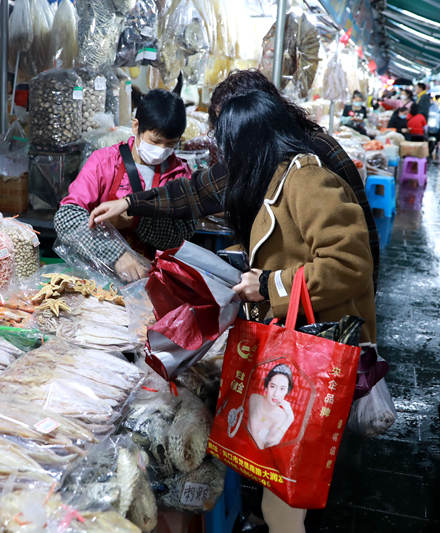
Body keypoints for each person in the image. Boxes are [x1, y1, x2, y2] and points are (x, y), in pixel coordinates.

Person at [215, 89, 376, 533]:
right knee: (286, 483)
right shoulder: (276, 179)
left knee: (286, 496)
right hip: (301, 342)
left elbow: (349, 264)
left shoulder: (305, 180)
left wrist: (268, 284)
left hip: (316, 350)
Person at [88, 70, 381, 289]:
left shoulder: (309, 170)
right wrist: (129, 202)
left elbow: (349, 263)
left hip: (320, 317)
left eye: (228, 128)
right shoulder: (261, 156)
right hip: (292, 301)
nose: (224, 142)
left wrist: (268, 285)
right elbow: (197, 191)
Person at [54, 88, 195, 282]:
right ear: (136, 126)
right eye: (155, 141)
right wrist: (116, 254)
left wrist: (135, 220)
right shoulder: (104, 161)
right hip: (97, 276)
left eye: (170, 144)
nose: (161, 150)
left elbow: (182, 236)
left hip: (152, 280)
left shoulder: (180, 174)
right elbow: (66, 218)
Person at [248, 364, 295, 450]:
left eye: (282, 389)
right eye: (272, 386)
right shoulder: (254, 399)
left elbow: (270, 443)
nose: (276, 394)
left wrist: (290, 419)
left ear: (287, 392)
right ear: (266, 387)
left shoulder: (282, 416)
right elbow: (253, 433)